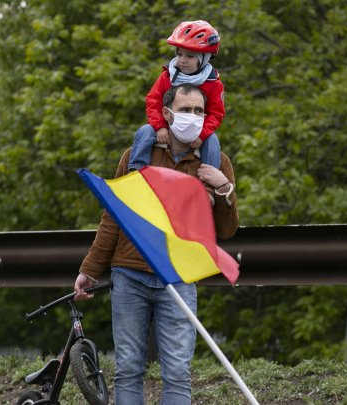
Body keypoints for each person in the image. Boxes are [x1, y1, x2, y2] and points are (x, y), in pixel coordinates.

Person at [74, 83, 238, 405]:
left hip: (178, 278)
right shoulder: (137, 155)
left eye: (199, 111)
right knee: (128, 368)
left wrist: (223, 189)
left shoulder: (216, 161)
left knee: (177, 372)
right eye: (185, 109)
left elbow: (226, 231)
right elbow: (113, 217)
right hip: (129, 275)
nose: (192, 117)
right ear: (167, 113)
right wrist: (90, 269)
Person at [128, 20, 225, 174]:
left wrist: (202, 135)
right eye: (179, 54)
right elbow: (153, 101)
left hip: (198, 131)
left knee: (212, 141)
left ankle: (210, 183)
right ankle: (136, 173)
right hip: (166, 126)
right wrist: (159, 127)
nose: (182, 60)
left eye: (190, 56)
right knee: (145, 131)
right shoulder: (167, 76)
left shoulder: (214, 83)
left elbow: (217, 113)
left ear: (205, 58)